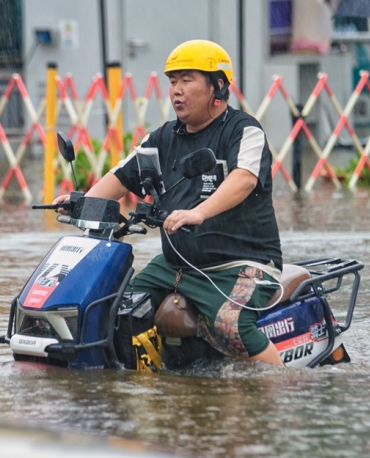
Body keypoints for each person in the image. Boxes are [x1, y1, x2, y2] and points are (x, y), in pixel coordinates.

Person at [53, 39, 284, 365]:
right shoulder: (162, 138)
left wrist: (198, 213)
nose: (176, 90)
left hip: (241, 266)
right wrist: (81, 203)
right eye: (172, 81)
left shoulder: (243, 130)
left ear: (218, 85)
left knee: (232, 325)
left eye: (187, 79)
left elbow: (244, 178)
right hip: (175, 267)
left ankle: (285, 389)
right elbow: (121, 177)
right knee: (116, 307)